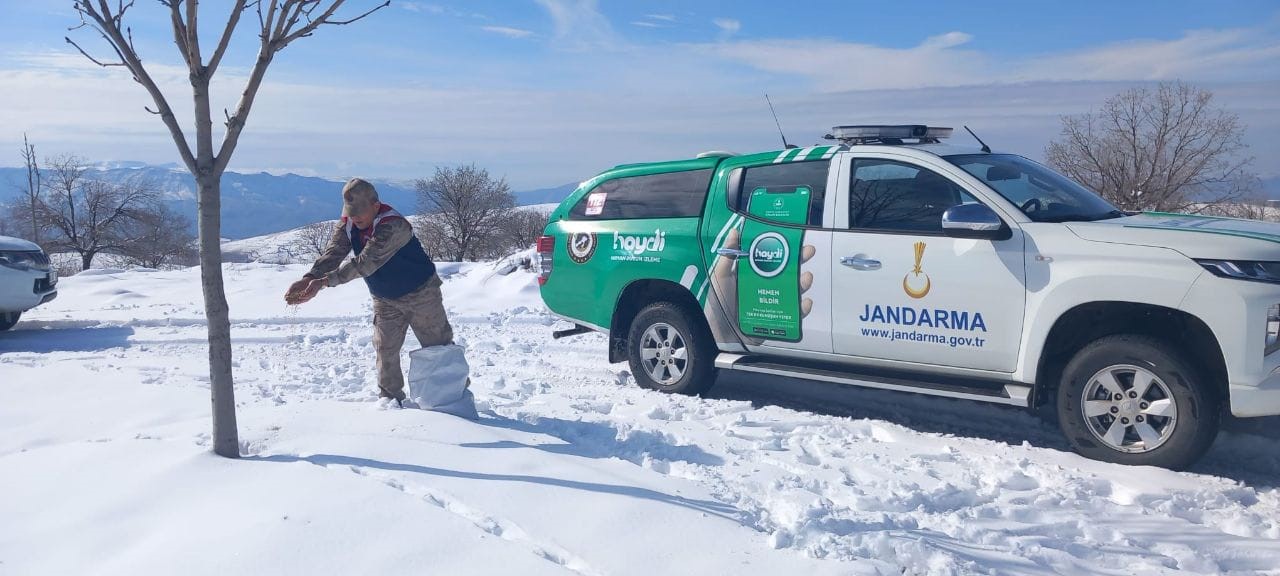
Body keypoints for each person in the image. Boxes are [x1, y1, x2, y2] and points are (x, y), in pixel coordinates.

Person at [285, 177, 455, 408]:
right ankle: (390, 401)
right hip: (384, 298)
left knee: (438, 348)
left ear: (376, 206)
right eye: (351, 213)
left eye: (360, 213)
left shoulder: (393, 225)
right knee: (385, 350)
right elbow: (335, 251)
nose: (355, 218)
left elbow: (365, 263)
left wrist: (323, 283)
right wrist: (310, 277)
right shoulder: (348, 223)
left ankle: (452, 400)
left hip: (421, 294)